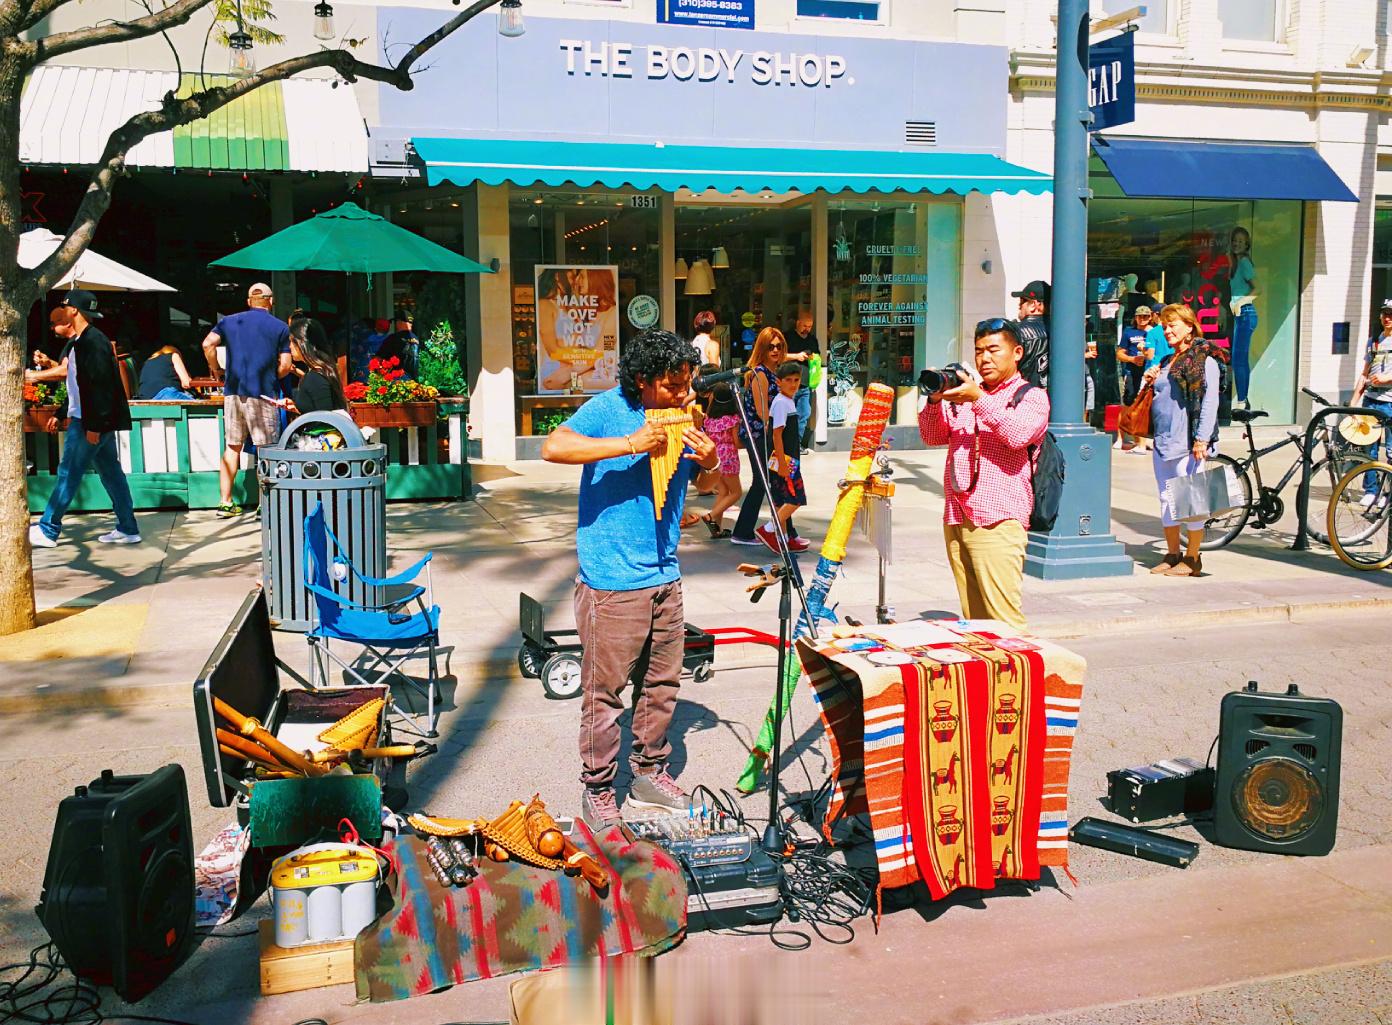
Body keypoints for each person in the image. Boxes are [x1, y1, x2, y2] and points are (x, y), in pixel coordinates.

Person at [540, 328, 719, 828]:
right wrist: (630, 443)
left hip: (666, 572)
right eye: (672, 386)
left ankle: (648, 772)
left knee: (661, 685)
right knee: (604, 693)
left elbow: (705, 484)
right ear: (642, 380)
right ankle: (596, 788)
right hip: (612, 580)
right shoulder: (608, 408)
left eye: (687, 384)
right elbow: (553, 448)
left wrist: (710, 464)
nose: (684, 395)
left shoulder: (688, 414)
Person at [918, 318, 1049, 631]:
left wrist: (978, 399)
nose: (985, 358)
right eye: (979, 351)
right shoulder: (966, 395)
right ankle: (993, 679)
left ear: (1016, 352)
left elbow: (1017, 435)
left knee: (1005, 622)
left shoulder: (1030, 396)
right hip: (957, 516)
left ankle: (1027, 678)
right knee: (976, 622)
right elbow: (933, 435)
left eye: (993, 350)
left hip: (998, 519)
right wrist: (936, 400)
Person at [26, 291, 141, 548]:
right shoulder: (85, 341)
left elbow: (101, 386)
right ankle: (128, 527)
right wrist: (60, 412)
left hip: (89, 422)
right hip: (91, 419)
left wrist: (95, 426)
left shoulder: (92, 342)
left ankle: (48, 528)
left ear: (74, 312)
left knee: (69, 472)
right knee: (111, 473)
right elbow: (81, 385)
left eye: (64, 309)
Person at [1142, 304, 1225, 578]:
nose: (1167, 330)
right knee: (1166, 499)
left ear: (1189, 326)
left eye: (1173, 325)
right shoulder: (1167, 361)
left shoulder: (1204, 361)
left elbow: (1210, 402)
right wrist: (1150, 380)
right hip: (1164, 441)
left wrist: (1201, 439)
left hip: (1188, 442)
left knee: (1192, 501)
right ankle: (1173, 553)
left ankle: (1192, 558)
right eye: (1164, 326)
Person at [202, 282, 291, 518]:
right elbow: (286, 366)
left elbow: (207, 343)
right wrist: (272, 375)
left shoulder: (229, 321)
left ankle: (225, 502)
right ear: (271, 301)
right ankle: (266, 504)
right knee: (266, 449)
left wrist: (216, 369)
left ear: (249, 301)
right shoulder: (280, 327)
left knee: (232, 446)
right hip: (262, 392)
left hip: (233, 391)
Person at [731, 328, 806, 550]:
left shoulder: (776, 372)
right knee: (764, 482)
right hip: (759, 437)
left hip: (768, 436)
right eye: (770, 346)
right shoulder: (760, 374)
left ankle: (786, 534)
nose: (775, 350)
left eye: (779, 346)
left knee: (776, 483)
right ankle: (747, 531)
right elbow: (763, 411)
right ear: (762, 348)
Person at [756, 361, 808, 552]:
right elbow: (776, 434)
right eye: (788, 380)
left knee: (781, 500)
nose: (793, 384)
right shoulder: (780, 403)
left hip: (788, 459)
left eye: (796, 380)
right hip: (785, 460)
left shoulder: (787, 401)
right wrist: (782, 463)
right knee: (795, 499)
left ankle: (784, 539)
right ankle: (769, 529)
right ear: (779, 382)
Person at [1351, 299, 1392, 506]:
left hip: (1390, 404)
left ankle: (1389, 494)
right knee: (1369, 449)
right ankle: (1371, 491)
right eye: (1384, 313)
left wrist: (1388, 379)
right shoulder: (1374, 341)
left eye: (1391, 314)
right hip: (1371, 401)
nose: (1387, 318)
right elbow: (1364, 373)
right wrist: (1353, 403)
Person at [695, 381, 743, 538]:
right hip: (729, 456)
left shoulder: (709, 419)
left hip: (715, 457)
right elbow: (736, 442)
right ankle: (711, 515)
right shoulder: (733, 419)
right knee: (736, 492)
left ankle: (717, 529)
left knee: (722, 491)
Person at [283, 317, 345, 416]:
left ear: (302, 343)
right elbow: (316, 412)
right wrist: (296, 408)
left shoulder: (315, 377)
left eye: (291, 341)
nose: (289, 346)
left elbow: (326, 418)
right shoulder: (319, 372)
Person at [1228, 227, 1258, 409]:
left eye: (1240, 240)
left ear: (1246, 244)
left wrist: (1240, 303)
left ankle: (1242, 401)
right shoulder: (1236, 263)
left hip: (1246, 313)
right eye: (1234, 240)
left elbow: (1259, 288)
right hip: (1241, 315)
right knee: (1240, 358)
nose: (1236, 243)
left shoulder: (1245, 262)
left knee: (1238, 359)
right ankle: (1242, 400)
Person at [785, 311, 821, 451]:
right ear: (798, 323)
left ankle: (797, 445)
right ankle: (786, 444)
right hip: (789, 384)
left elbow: (817, 356)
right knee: (788, 415)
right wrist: (796, 356)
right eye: (805, 325)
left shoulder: (812, 340)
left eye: (810, 326)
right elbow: (779, 356)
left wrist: (812, 358)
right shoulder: (787, 337)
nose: (807, 328)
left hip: (805, 384)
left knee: (804, 414)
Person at [1013, 280, 1050, 388]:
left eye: (1022, 301)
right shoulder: (1061, 333)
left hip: (1023, 398)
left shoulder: (1016, 331)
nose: (1019, 305)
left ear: (1034, 304)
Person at [373, 311, 420, 380]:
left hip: (397, 381)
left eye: (396, 322)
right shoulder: (417, 339)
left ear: (399, 322)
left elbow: (378, 359)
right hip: (413, 381)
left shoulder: (394, 338)